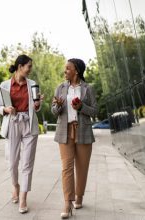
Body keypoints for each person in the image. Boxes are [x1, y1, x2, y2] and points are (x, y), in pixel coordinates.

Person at [0, 54, 43, 214]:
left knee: (27, 163)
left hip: (29, 124)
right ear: (20, 66)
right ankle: (15, 185)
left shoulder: (33, 84)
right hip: (13, 122)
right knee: (12, 162)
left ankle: (23, 197)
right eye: (29, 66)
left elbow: (36, 107)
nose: (30, 69)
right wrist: (6, 109)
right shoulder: (4, 85)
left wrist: (37, 104)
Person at [51, 58, 97, 219]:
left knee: (82, 167)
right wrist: (58, 105)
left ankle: (79, 196)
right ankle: (67, 202)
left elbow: (95, 111)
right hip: (65, 130)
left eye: (67, 68)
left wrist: (81, 107)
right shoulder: (60, 88)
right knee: (66, 168)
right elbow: (54, 111)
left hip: (83, 130)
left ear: (76, 70)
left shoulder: (88, 88)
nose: (65, 71)